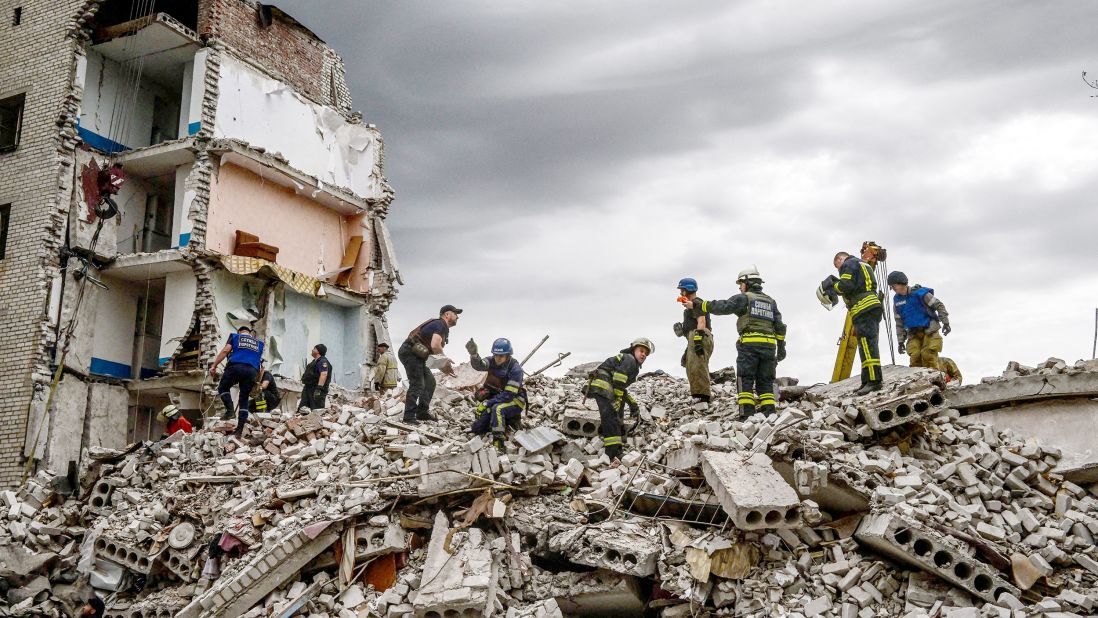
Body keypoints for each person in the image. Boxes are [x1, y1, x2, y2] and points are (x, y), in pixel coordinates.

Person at [700, 266, 787, 416]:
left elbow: (724, 307)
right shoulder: (771, 302)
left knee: (745, 379)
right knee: (765, 381)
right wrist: (781, 348)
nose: (740, 287)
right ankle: (769, 414)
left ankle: (747, 416)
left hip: (749, 347)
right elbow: (780, 327)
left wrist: (701, 305)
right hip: (769, 348)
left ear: (747, 283)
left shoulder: (744, 298)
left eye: (740, 284)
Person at [821, 251, 884, 395]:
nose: (838, 269)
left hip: (863, 307)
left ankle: (874, 381)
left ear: (840, 259)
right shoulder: (863, 264)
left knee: (867, 345)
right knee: (866, 345)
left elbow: (845, 285)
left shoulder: (848, 264)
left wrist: (833, 286)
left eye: (837, 266)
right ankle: (866, 381)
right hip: (872, 305)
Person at [583, 338, 653, 462]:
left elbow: (622, 389)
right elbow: (619, 380)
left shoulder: (631, 363)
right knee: (611, 418)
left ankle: (618, 446)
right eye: (641, 351)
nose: (643, 354)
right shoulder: (630, 359)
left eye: (646, 354)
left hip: (606, 387)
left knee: (616, 415)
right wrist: (617, 399)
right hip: (603, 386)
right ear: (634, 350)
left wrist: (633, 406)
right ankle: (612, 453)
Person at [399, 305, 461, 424]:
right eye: (455, 313)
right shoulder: (440, 324)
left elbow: (432, 354)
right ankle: (408, 417)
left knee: (430, 382)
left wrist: (444, 368)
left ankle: (422, 413)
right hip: (410, 353)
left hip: (417, 356)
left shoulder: (441, 327)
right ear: (447, 315)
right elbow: (435, 346)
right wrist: (445, 360)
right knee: (417, 384)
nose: (457, 317)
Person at [887, 271, 951, 370]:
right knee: (915, 356)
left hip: (930, 330)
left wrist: (945, 322)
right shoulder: (897, 301)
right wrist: (900, 342)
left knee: (928, 354)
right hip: (913, 333)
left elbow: (939, 305)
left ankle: (935, 381)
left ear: (901, 283)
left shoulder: (920, 293)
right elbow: (899, 323)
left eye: (893, 286)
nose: (893, 289)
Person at [467, 338, 526, 446]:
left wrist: (487, 403)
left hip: (515, 400)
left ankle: (499, 442)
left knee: (497, 409)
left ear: (508, 355)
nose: (497, 358)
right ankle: (505, 422)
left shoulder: (515, 369)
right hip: (499, 396)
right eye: (496, 355)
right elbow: (480, 365)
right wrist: (474, 355)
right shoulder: (491, 361)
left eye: (501, 356)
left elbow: (508, 395)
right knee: (478, 427)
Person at [209, 326, 264, 420]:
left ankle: (230, 412)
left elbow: (226, 350)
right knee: (244, 398)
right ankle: (239, 430)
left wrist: (214, 366)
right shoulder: (259, 343)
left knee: (223, 387)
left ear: (239, 331)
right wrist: (257, 380)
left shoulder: (235, 336)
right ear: (249, 333)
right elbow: (261, 365)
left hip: (236, 366)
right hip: (252, 371)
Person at [675, 277, 714, 410]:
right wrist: (683, 329)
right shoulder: (690, 307)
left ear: (687, 290)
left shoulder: (697, 302)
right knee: (690, 364)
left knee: (698, 364)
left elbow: (701, 321)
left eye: (682, 290)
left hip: (700, 335)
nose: (680, 293)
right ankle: (698, 393)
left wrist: (698, 338)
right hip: (695, 336)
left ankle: (703, 396)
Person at [300, 344, 331, 410]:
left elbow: (324, 374)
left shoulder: (322, 361)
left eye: (314, 349)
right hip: (308, 389)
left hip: (316, 390)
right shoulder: (315, 362)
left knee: (316, 410)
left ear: (318, 351)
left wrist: (318, 389)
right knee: (303, 409)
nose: (312, 350)